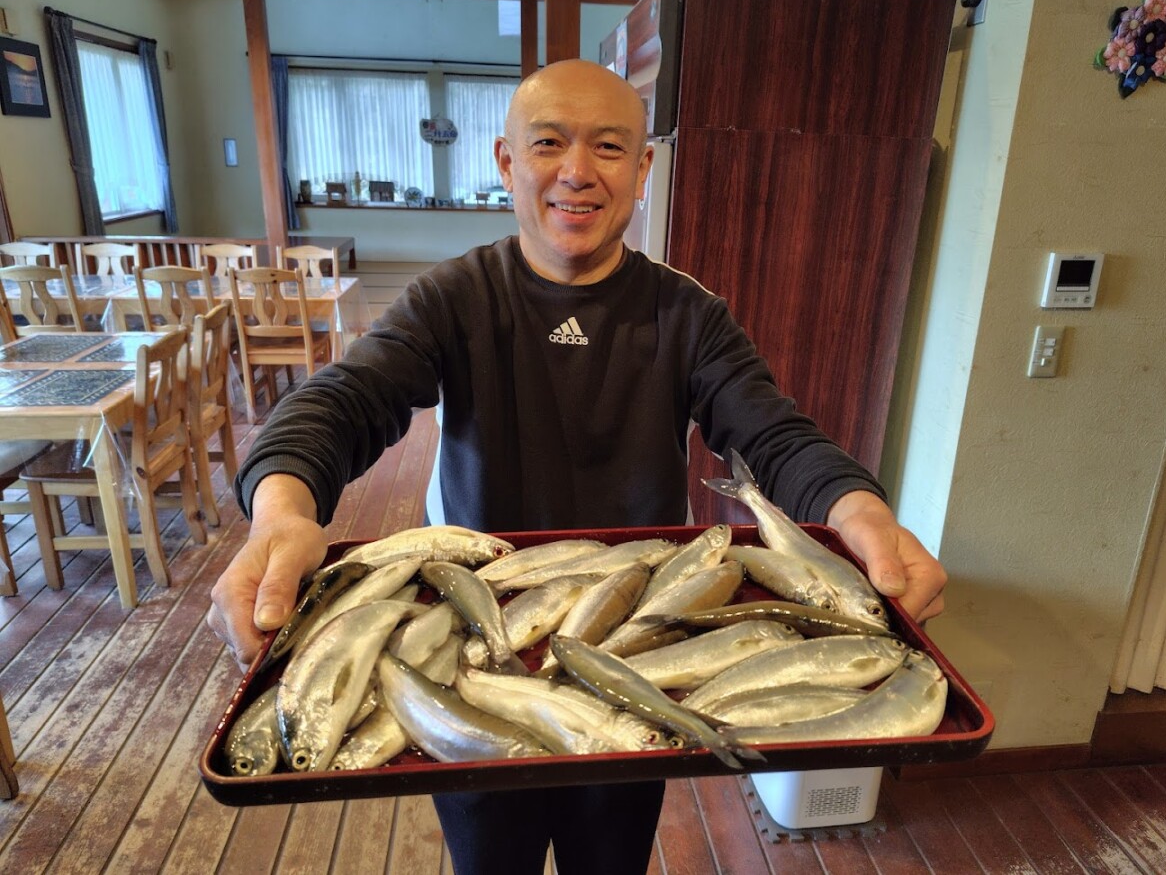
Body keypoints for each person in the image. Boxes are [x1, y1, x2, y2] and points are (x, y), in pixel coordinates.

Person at [207, 58, 946, 875]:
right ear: (507, 162)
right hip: (475, 639)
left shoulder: (687, 313)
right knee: (491, 860)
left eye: (609, 147)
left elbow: (772, 432)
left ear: (642, 168)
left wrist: (856, 510)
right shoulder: (453, 298)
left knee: (611, 857)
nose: (577, 171)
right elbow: (345, 400)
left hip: (637, 637)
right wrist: (281, 513)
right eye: (549, 143)